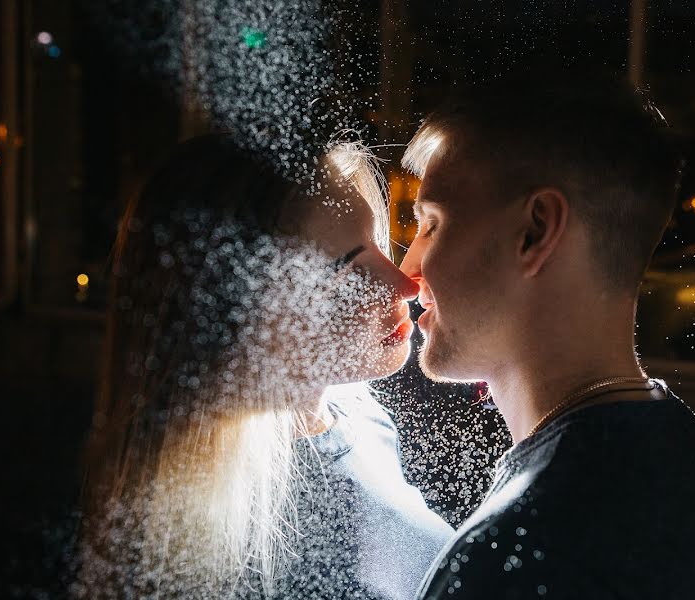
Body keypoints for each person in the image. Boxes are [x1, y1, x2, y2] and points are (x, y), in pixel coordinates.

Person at [398, 75, 695, 599]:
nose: (409, 269)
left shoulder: (517, 548)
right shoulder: (689, 454)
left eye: (432, 225)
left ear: (535, 232)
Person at [76, 134, 452, 599]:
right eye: (345, 271)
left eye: (376, 243)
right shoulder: (216, 543)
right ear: (231, 316)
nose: (403, 284)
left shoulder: (356, 416)